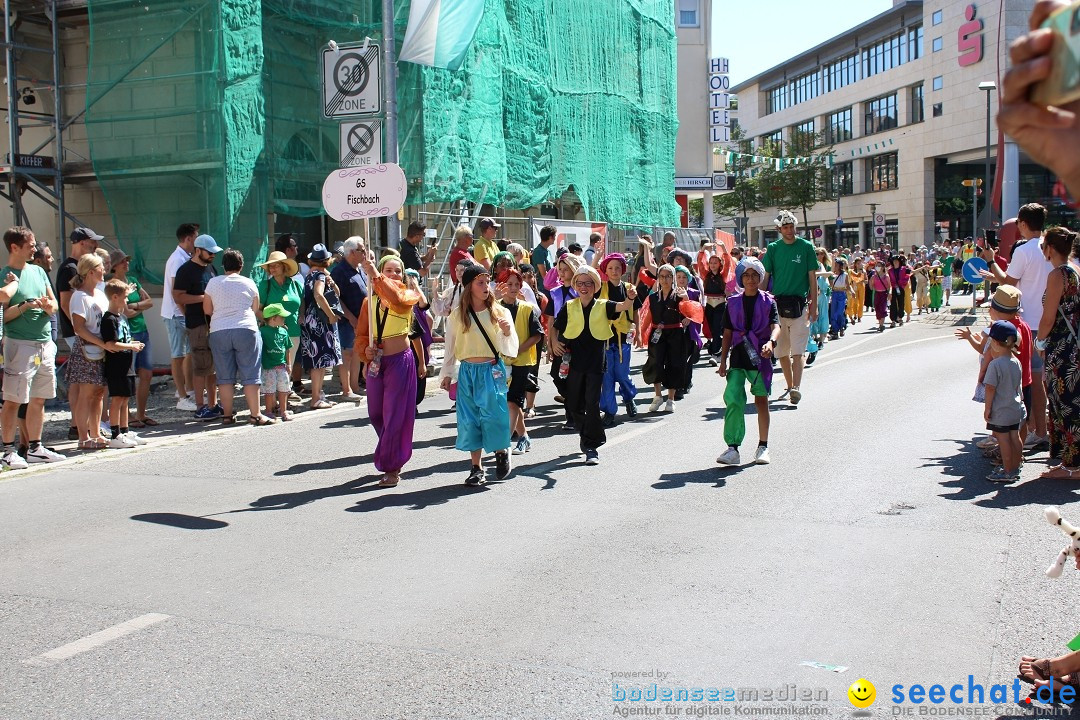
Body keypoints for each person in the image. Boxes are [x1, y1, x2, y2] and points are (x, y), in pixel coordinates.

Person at [981, 203, 1052, 452]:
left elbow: (1008, 285)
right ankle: (1044, 428)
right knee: (1046, 380)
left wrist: (991, 262)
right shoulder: (1051, 247)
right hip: (1050, 320)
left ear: (1022, 223)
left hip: (1028, 323)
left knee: (1031, 380)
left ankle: (1037, 431)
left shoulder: (1024, 250)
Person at [439, 264, 518, 486]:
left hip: (491, 369)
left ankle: (501, 451)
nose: (486, 287)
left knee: (493, 415)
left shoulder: (499, 312)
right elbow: (450, 347)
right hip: (467, 372)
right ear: (469, 287)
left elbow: (510, 348)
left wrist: (506, 331)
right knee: (469, 419)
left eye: (487, 282)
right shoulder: (457, 315)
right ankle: (476, 467)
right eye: (480, 283)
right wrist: (446, 374)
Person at [551, 265, 637, 465]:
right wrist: (554, 343)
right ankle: (586, 436)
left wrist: (631, 298)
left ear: (595, 286)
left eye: (588, 283)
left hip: (596, 361)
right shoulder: (569, 306)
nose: (584, 287)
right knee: (574, 404)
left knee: (591, 403)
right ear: (575, 286)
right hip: (573, 360)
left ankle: (591, 446)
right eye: (580, 283)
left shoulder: (603, 305)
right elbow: (555, 328)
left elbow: (623, 306)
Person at [355, 252, 422, 487]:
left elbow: (395, 299)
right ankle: (392, 448)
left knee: (394, 413)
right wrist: (366, 353)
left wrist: (375, 276)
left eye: (398, 271)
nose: (394, 274)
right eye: (388, 270)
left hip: (400, 361)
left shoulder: (407, 295)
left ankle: (392, 466)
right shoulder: (368, 301)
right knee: (375, 413)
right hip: (377, 363)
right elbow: (362, 334)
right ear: (381, 271)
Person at [0, 227, 62, 467]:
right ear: (14, 247)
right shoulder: (6, 275)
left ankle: (36, 447)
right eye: (30, 245)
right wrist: (25, 305)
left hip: (44, 342)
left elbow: (54, 304)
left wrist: (48, 306)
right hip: (20, 343)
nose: (35, 249)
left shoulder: (38, 271)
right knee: (13, 399)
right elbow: (3, 316)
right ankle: (8, 450)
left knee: (39, 398)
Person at [716, 258, 779, 466]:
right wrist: (723, 360)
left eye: (754, 275)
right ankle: (733, 448)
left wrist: (771, 343)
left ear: (760, 278)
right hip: (738, 357)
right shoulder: (732, 302)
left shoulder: (769, 301)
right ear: (741, 278)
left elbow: (775, 326)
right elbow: (727, 333)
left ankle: (763, 446)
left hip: (761, 356)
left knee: (761, 401)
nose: (750, 279)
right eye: (746, 275)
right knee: (733, 398)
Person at [203, 249, 272, 425]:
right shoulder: (249, 283)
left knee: (224, 377)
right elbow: (255, 309)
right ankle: (255, 414)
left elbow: (207, 310)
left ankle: (227, 415)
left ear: (223, 265)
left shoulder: (213, 283)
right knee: (250, 374)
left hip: (219, 329)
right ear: (241, 266)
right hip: (246, 328)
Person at [1034, 227, 1080, 479]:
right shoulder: (1075, 270)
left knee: (1065, 403)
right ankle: (1070, 463)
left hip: (1062, 349)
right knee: (1074, 401)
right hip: (1074, 346)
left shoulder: (1057, 275)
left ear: (1050, 248)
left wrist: (1039, 343)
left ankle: (1071, 466)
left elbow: (1048, 317)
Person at [761, 211, 817, 406]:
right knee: (782, 351)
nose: (789, 231)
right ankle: (790, 384)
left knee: (798, 351)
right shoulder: (773, 249)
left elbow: (812, 278)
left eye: (792, 227)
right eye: (785, 227)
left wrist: (814, 305)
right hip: (778, 305)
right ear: (779, 229)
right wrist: (759, 302)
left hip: (800, 305)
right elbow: (766, 276)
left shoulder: (806, 247)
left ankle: (796, 388)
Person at [56, 226, 102, 439]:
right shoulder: (69, 268)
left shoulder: (77, 266)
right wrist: (79, 328)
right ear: (82, 242)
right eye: (92, 242)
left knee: (83, 383)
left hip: (84, 330)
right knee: (81, 384)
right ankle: (77, 426)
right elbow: (66, 302)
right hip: (79, 331)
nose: (96, 247)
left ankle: (81, 426)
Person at [173, 234, 221, 419]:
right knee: (201, 366)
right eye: (209, 252)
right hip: (198, 324)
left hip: (214, 323)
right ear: (198, 250)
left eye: (214, 253)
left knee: (213, 368)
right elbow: (178, 296)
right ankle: (200, 406)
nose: (212, 256)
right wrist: (204, 299)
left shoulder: (211, 268)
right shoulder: (185, 270)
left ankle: (213, 403)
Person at [67, 253, 109, 450]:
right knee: (86, 393)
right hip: (86, 350)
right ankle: (83, 437)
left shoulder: (100, 294)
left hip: (102, 349)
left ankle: (96, 432)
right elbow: (79, 328)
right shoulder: (79, 297)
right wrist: (101, 343)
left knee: (99, 393)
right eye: (101, 267)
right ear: (91, 272)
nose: (104, 270)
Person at [498, 268, 543, 455]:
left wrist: (519, 348)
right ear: (501, 285)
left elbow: (537, 335)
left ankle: (505, 442)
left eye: (517, 284)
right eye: (509, 284)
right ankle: (523, 437)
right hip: (500, 362)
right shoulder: (494, 308)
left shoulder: (526, 308)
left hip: (522, 361)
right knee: (507, 402)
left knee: (512, 401)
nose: (514, 288)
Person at [108, 250, 155, 428]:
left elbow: (148, 301)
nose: (126, 264)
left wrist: (134, 305)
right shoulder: (113, 285)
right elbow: (125, 312)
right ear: (114, 266)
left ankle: (141, 413)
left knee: (146, 373)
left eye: (126, 260)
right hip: (128, 334)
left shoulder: (133, 280)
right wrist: (137, 307)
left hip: (142, 330)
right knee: (129, 375)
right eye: (122, 261)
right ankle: (127, 416)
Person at [99, 279, 147, 448]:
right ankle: (115, 434)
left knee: (126, 399)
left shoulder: (122, 318)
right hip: (116, 366)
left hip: (128, 365)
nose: (127, 301)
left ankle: (125, 431)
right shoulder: (109, 319)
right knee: (117, 399)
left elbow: (123, 339)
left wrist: (131, 344)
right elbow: (110, 344)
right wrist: (131, 345)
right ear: (114, 297)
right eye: (125, 297)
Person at [640, 264, 692, 413]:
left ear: (673, 278)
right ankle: (657, 396)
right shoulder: (653, 297)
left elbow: (689, 313)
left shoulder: (679, 295)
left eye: (668, 276)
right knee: (655, 363)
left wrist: (686, 299)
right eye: (662, 276)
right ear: (658, 278)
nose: (665, 279)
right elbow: (648, 318)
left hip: (675, 334)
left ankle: (670, 398)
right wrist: (640, 333)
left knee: (674, 365)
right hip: (657, 334)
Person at [983, 321, 1026, 482]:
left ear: (994, 342)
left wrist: (988, 408)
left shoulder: (995, 365)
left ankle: (1007, 471)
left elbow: (990, 388)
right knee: (1015, 437)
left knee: (1003, 440)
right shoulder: (1016, 361)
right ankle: (1015, 466)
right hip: (1015, 407)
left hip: (1001, 409)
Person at [300, 244, 343, 410]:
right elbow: (319, 295)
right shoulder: (320, 276)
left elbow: (336, 293)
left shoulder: (310, 275)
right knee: (320, 362)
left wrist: (330, 280)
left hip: (310, 320)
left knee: (317, 362)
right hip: (321, 321)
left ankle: (318, 396)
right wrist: (331, 315)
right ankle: (316, 398)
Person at [257, 249, 304, 399]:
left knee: (287, 365)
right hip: (272, 333)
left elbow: (302, 302)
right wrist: (269, 322)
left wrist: (301, 315)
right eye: (271, 266)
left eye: (276, 265)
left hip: (293, 331)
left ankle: (285, 393)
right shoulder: (265, 285)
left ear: (284, 266)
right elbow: (258, 309)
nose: (272, 269)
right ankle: (274, 398)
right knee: (272, 366)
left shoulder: (295, 285)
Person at [160, 223, 197, 412]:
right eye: (195, 237)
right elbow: (177, 291)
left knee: (188, 353)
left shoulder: (184, 257)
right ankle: (181, 395)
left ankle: (189, 391)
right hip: (175, 313)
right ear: (188, 238)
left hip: (182, 313)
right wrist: (184, 312)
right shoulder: (177, 260)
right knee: (178, 354)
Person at [598, 253, 639, 423]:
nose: (614, 271)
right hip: (606, 339)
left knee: (622, 374)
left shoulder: (629, 288)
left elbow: (635, 311)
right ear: (605, 271)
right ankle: (609, 411)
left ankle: (629, 397)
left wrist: (639, 331)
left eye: (617, 267)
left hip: (624, 337)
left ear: (623, 269)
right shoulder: (601, 288)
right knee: (606, 377)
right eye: (610, 268)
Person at [545, 253, 582, 428]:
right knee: (557, 375)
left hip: (579, 339)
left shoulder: (580, 291)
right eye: (560, 269)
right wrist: (552, 342)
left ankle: (572, 416)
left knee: (574, 378)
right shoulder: (555, 293)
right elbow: (551, 320)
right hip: (561, 339)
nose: (562, 273)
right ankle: (572, 401)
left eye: (566, 269)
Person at [330, 237, 367, 401]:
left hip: (362, 318)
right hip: (346, 321)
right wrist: (351, 317)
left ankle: (355, 386)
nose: (365, 252)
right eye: (362, 250)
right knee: (347, 354)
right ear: (352, 252)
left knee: (357, 353)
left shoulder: (360, 269)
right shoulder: (339, 271)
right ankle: (346, 389)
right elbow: (335, 298)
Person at [259, 304, 293, 422]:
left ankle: (283, 410)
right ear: (273, 318)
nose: (284, 319)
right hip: (268, 367)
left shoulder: (284, 331)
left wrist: (289, 364)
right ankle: (268, 411)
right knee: (269, 390)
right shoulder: (262, 331)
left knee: (284, 389)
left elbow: (288, 348)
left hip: (281, 366)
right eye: (281, 317)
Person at [702, 254, 727, 362]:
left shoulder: (723, 275)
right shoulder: (706, 275)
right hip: (709, 305)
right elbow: (700, 264)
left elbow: (729, 264)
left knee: (717, 330)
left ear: (720, 264)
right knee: (712, 330)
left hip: (720, 305)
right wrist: (703, 251)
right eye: (711, 263)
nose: (712, 265)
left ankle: (717, 355)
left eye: (715, 263)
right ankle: (715, 350)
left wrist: (724, 250)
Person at [828, 258, 848, 340]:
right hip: (834, 294)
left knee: (839, 312)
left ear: (840, 266)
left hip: (842, 294)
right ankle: (835, 330)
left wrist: (852, 292)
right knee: (833, 313)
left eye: (836, 265)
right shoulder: (832, 275)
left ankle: (841, 327)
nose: (835, 266)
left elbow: (848, 286)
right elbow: (831, 285)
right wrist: (831, 276)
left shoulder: (845, 275)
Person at [870, 262, 891, 332]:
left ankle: (881, 325)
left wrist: (889, 293)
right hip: (877, 293)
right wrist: (870, 281)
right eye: (876, 266)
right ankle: (880, 323)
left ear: (882, 267)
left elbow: (889, 286)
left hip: (884, 293)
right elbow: (871, 286)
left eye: (879, 266)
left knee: (883, 309)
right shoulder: (874, 276)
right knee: (877, 309)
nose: (877, 267)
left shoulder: (886, 276)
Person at [847, 258, 866, 325]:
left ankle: (859, 316)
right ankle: (854, 314)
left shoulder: (863, 271)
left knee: (861, 302)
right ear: (855, 264)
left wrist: (863, 280)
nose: (859, 264)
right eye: (858, 263)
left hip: (861, 287)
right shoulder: (852, 271)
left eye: (860, 263)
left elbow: (866, 281)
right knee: (855, 301)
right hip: (854, 286)